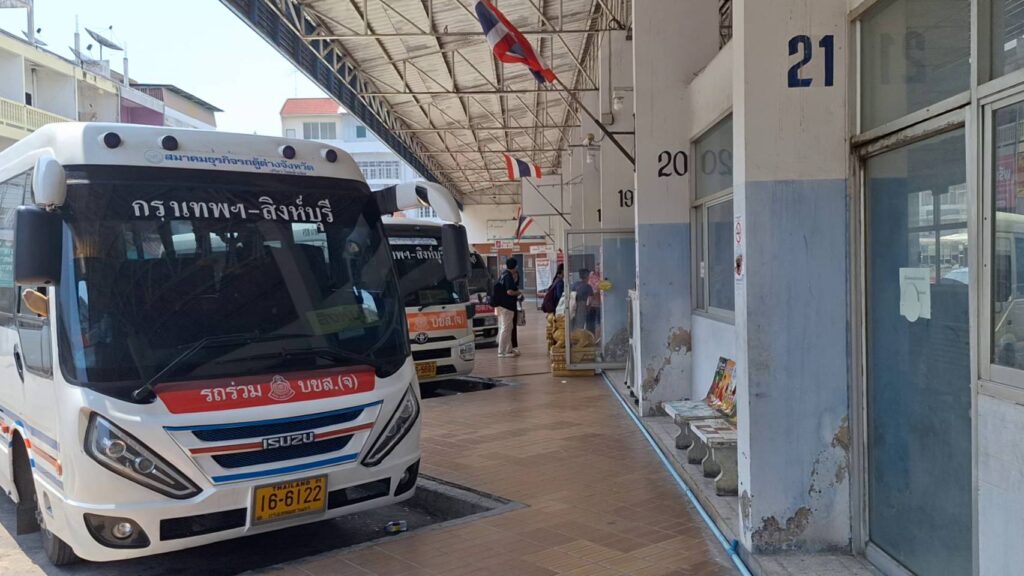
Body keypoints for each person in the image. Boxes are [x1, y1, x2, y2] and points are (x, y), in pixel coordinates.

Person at [494, 258, 521, 357]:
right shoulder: (508, 276)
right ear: (515, 266)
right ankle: (501, 351)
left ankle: (509, 350)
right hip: (507, 306)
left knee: (508, 328)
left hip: (501, 305)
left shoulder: (503, 274)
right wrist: (518, 292)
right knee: (506, 328)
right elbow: (509, 291)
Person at [572, 268, 594, 333]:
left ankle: (574, 335)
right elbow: (590, 300)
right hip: (582, 305)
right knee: (580, 323)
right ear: (586, 276)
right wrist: (588, 308)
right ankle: (578, 336)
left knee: (574, 323)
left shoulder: (575, 284)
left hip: (573, 305)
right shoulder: (588, 287)